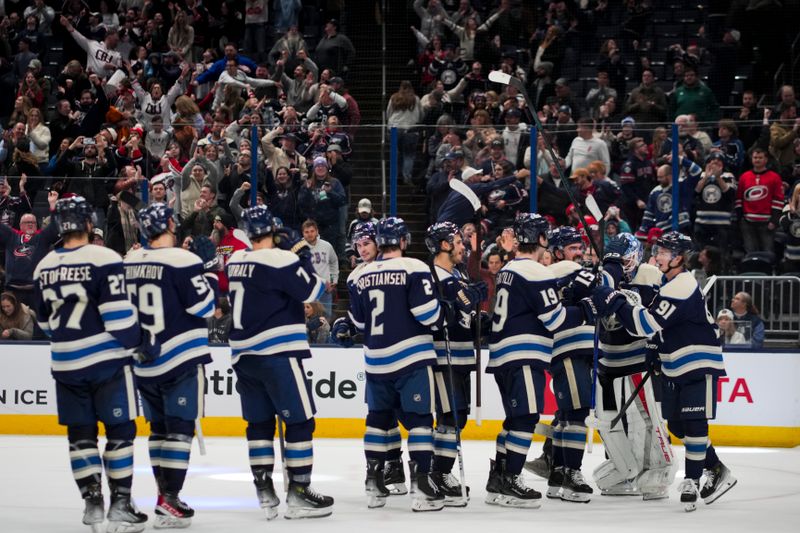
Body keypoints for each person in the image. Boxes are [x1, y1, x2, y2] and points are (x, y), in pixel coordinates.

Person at [591, 231, 737, 511]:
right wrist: (655, 349)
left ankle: (692, 482)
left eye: (662, 253)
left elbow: (643, 325)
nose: (656, 256)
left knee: (694, 426)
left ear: (679, 258)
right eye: (656, 251)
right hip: (675, 366)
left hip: (697, 363)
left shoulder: (681, 285)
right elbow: (662, 329)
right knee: (678, 426)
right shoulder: (669, 283)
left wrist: (613, 299)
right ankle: (717, 469)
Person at [33, 196, 147, 532]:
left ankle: (92, 502)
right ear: (87, 223)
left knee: (80, 435)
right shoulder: (104, 257)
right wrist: (138, 342)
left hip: (65, 362)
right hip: (106, 361)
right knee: (120, 433)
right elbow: (117, 317)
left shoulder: (43, 266)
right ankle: (121, 503)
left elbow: (46, 324)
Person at [226, 205, 334, 520]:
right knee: (300, 422)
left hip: (243, 355)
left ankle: (263, 488)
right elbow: (315, 289)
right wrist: (296, 254)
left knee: (258, 424)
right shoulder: (281, 258)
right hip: (278, 352)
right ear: (272, 230)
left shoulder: (235, 260)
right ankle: (299, 491)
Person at [334, 217, 445, 512]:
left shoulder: (362, 275)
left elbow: (357, 322)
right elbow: (427, 315)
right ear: (404, 241)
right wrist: (443, 311)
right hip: (411, 357)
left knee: (378, 419)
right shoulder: (415, 267)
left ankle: (373, 482)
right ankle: (422, 485)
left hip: (375, 360)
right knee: (420, 420)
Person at [124, 205, 218, 528]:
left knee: (157, 431)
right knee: (179, 429)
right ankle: (170, 499)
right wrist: (208, 268)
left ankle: (163, 495)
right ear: (168, 223)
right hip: (178, 357)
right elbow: (205, 305)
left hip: (143, 361)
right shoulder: (183, 259)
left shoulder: (129, 260)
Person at [485, 213, 586, 508]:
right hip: (524, 353)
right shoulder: (536, 272)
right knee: (527, 419)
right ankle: (511, 479)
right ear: (542, 239)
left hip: (503, 354)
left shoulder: (508, 269)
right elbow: (554, 319)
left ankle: (500, 477)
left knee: (514, 420)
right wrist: (587, 310)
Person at [589, 233, 672, 499]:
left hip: (636, 364)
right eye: (617, 261)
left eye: (626, 260)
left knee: (644, 423)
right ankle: (624, 470)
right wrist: (609, 274)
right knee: (609, 423)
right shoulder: (604, 279)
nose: (623, 265)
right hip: (607, 364)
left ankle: (656, 471)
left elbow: (648, 314)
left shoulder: (647, 276)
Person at [425, 222, 486, 506]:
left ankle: (440, 471)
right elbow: (453, 305)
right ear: (445, 244)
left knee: (457, 416)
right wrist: (469, 297)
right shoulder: (432, 277)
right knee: (449, 416)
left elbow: (466, 311)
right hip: (443, 357)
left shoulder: (457, 275)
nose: (463, 246)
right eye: (459, 241)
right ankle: (437, 473)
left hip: (461, 357)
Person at [539, 226, 597, 503]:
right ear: (558, 251)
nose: (580, 252)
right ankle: (572, 474)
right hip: (570, 348)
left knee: (565, 415)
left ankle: (558, 474)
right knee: (576, 413)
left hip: (574, 350)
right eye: (573, 248)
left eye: (580, 247)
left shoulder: (575, 273)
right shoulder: (559, 271)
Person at [0, 191, 60, 307]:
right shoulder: (11, 236)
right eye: (27, 222)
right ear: (20, 225)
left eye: (33, 222)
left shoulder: (41, 237)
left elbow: (55, 228)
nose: (31, 224)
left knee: (38, 322)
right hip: (12, 290)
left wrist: (53, 205)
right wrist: (4, 198)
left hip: (36, 290)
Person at [735, 148, 785, 254]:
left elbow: (778, 200)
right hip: (747, 221)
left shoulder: (774, 177)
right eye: (755, 157)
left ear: (766, 159)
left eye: (760, 157)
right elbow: (739, 199)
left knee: (768, 250)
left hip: (767, 222)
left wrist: (774, 220)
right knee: (750, 251)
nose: (757, 160)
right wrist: (740, 218)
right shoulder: (744, 177)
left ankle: (768, 270)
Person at [387, 81, 423, 186]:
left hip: (395, 128)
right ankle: (407, 177)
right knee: (409, 155)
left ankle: (395, 176)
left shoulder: (394, 97)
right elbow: (421, 114)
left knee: (395, 154)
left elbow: (389, 113)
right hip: (410, 129)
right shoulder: (416, 99)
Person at [301, 220, 338, 318]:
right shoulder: (298, 248)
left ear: (317, 231)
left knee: (326, 318)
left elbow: (334, 261)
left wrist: (334, 280)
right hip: (306, 289)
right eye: (307, 232)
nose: (310, 234)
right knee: (305, 319)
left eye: (312, 231)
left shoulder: (327, 246)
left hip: (324, 289)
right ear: (303, 233)